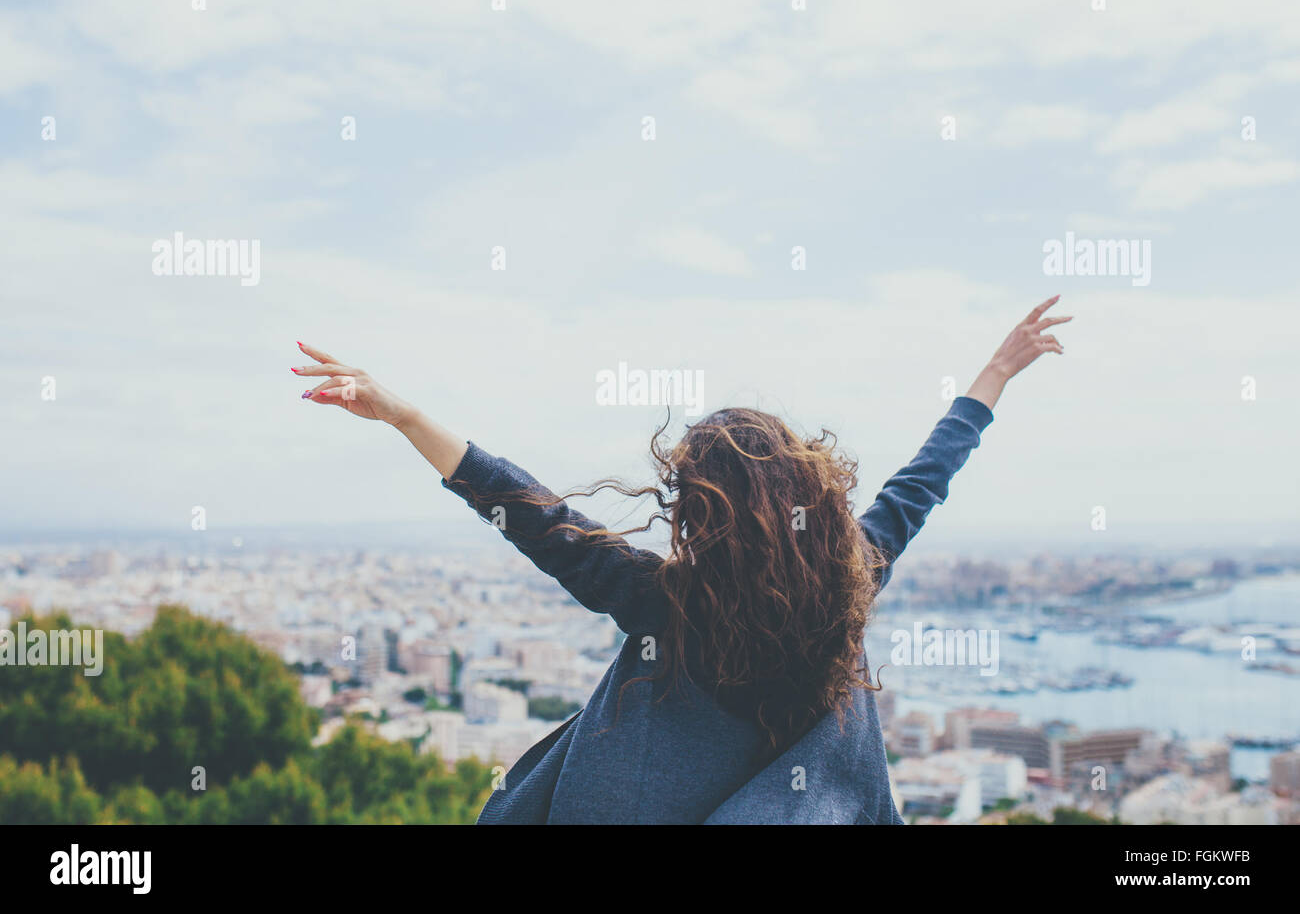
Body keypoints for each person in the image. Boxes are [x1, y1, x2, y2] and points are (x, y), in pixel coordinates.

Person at [291, 295, 1070, 823]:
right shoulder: (852, 577)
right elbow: (922, 482)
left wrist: (402, 415)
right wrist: (993, 375)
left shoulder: (664, 602)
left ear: (698, 515)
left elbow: (530, 512)